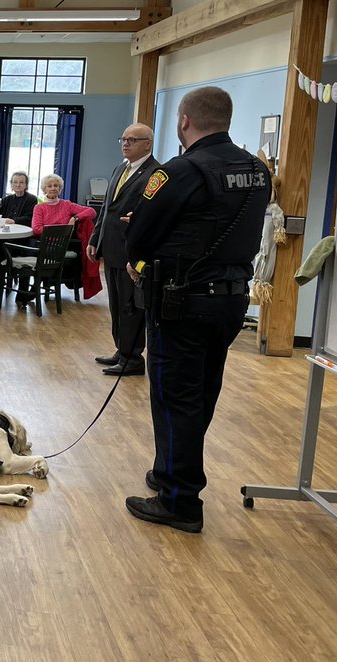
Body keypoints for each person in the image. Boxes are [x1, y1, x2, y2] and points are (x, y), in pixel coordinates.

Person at [123, 86, 270, 533]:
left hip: (182, 301)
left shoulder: (179, 171)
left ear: (183, 121)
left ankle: (179, 500)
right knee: (202, 391)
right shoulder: (257, 170)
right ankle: (171, 471)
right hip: (231, 300)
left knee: (174, 397)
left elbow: (140, 239)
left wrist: (143, 246)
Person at [88, 123, 160, 377]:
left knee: (131, 306)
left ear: (148, 144)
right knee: (117, 304)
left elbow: (152, 215)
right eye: (123, 139)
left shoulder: (155, 173)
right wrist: (95, 238)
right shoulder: (121, 168)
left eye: (132, 140)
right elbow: (107, 209)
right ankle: (121, 349)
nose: (125, 143)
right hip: (111, 248)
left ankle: (133, 358)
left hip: (133, 251)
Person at [22, 174, 98, 307]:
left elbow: (92, 211)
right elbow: (36, 229)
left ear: (60, 189)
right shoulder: (39, 207)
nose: (53, 188)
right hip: (45, 244)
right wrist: (59, 230)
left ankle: (35, 288)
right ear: (44, 189)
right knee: (43, 251)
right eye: (49, 186)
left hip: (61, 245)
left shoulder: (67, 205)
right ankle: (38, 286)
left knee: (48, 254)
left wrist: (75, 218)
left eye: (56, 186)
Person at [0, 171, 39, 299]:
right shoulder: (7, 199)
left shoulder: (32, 199)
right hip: (3, 234)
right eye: (15, 182)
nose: (18, 185)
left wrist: (14, 220)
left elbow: (30, 218)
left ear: (26, 185)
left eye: (21, 182)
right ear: (11, 184)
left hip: (20, 239)